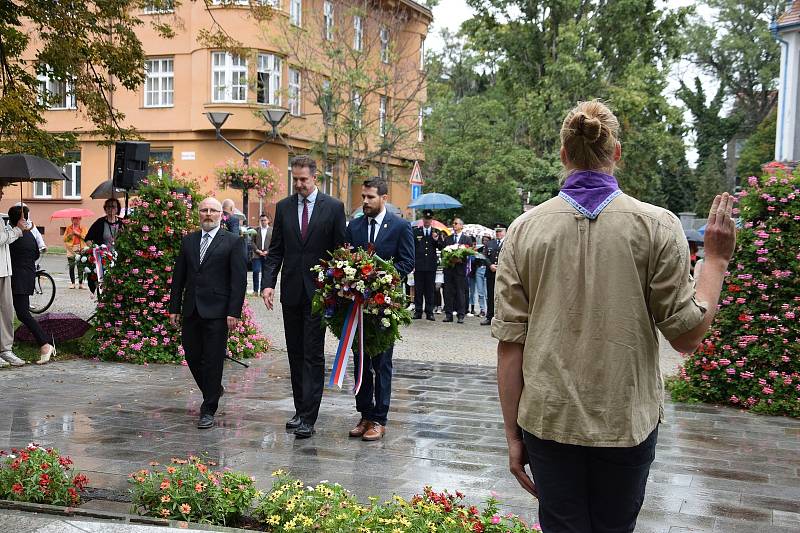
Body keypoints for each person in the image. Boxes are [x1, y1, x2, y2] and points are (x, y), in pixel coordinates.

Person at [492, 100, 736, 532]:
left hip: (549, 419)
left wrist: (513, 435)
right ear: (616, 153)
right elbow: (686, 336)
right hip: (625, 420)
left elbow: (511, 346)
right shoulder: (656, 226)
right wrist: (714, 261)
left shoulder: (524, 230)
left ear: (564, 155)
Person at [261, 155, 346, 439]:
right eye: (295, 179)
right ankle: (300, 410)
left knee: (313, 354)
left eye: (303, 180)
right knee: (295, 353)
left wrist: (336, 290)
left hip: (319, 294)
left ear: (315, 177)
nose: (298, 184)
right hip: (292, 292)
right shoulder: (284, 207)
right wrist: (268, 283)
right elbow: (276, 250)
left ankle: (310, 415)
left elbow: (341, 252)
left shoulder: (333, 208)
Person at [169, 197, 247, 429]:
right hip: (192, 309)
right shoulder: (189, 241)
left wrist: (234, 311)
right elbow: (178, 277)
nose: (208, 214)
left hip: (218, 311)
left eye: (213, 211)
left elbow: (239, 280)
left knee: (213, 360)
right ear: (199, 214)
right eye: (204, 210)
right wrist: (174, 307)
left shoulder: (233, 242)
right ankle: (214, 390)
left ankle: (208, 409)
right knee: (192, 355)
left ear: (221, 215)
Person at [345, 178, 414, 441]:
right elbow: (347, 256)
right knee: (360, 361)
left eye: (370, 197)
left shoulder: (399, 226)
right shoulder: (355, 226)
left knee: (382, 363)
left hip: (385, 305)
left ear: (384, 198)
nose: (365, 201)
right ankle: (364, 414)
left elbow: (407, 261)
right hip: (358, 307)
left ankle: (379, 419)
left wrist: (381, 278)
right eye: (363, 196)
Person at [8, 205, 56, 365]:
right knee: (20, 313)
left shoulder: (13, 236)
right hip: (28, 277)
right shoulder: (29, 235)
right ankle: (45, 343)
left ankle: (45, 344)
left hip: (17, 279)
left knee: (22, 313)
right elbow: (36, 254)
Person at [0, 185, 28, 368]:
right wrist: (17, 230)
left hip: (4, 271)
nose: (2, 193)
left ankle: (5, 350)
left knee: (6, 311)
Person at [85, 197, 123, 293]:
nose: (111, 209)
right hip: (103, 260)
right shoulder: (100, 222)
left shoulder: (122, 223)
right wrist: (95, 249)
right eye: (108, 207)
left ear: (117, 209)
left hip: (119, 260)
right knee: (103, 287)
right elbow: (88, 239)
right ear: (105, 209)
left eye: (113, 207)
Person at [412, 209, 443, 321]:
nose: (427, 221)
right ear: (423, 219)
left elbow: (441, 247)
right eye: (425, 219)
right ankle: (418, 311)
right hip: (419, 265)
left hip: (430, 265)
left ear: (432, 220)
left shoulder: (436, 232)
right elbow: (412, 248)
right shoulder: (416, 231)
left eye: (429, 219)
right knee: (418, 289)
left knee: (430, 290)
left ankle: (429, 312)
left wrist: (436, 240)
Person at [442, 218, 473, 323]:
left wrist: (460, 259)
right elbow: (444, 252)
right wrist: (450, 259)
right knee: (448, 292)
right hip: (449, 269)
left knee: (460, 292)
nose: (454, 225)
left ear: (461, 226)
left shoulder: (466, 239)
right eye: (453, 223)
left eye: (456, 223)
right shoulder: (448, 239)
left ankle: (461, 314)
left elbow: (469, 253)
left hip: (460, 270)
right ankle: (448, 314)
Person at [481, 224, 506, 326]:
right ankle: (489, 316)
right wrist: (490, 265)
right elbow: (484, 255)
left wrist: (500, 266)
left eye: (500, 231)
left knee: (502, 296)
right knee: (490, 295)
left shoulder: (508, 242)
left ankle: (501, 317)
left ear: (505, 232)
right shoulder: (490, 243)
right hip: (491, 273)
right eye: (497, 232)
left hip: (503, 273)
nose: (498, 233)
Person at [251, 213, 272, 294]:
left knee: (265, 273)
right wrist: (257, 250)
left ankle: (262, 290)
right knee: (256, 271)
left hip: (267, 254)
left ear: (268, 221)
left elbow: (274, 243)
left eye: (264, 220)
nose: (263, 222)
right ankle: (255, 290)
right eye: (261, 220)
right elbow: (252, 242)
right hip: (257, 254)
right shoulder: (256, 230)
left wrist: (268, 251)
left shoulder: (272, 230)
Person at [64, 217, 87, 289]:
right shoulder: (68, 228)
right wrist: (71, 234)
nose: (76, 220)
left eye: (78, 219)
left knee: (80, 267)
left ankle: (80, 284)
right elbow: (65, 239)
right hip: (71, 248)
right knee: (71, 266)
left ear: (80, 220)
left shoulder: (83, 228)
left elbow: (85, 237)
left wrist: (77, 233)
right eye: (74, 219)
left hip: (80, 248)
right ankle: (73, 283)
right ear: (71, 220)